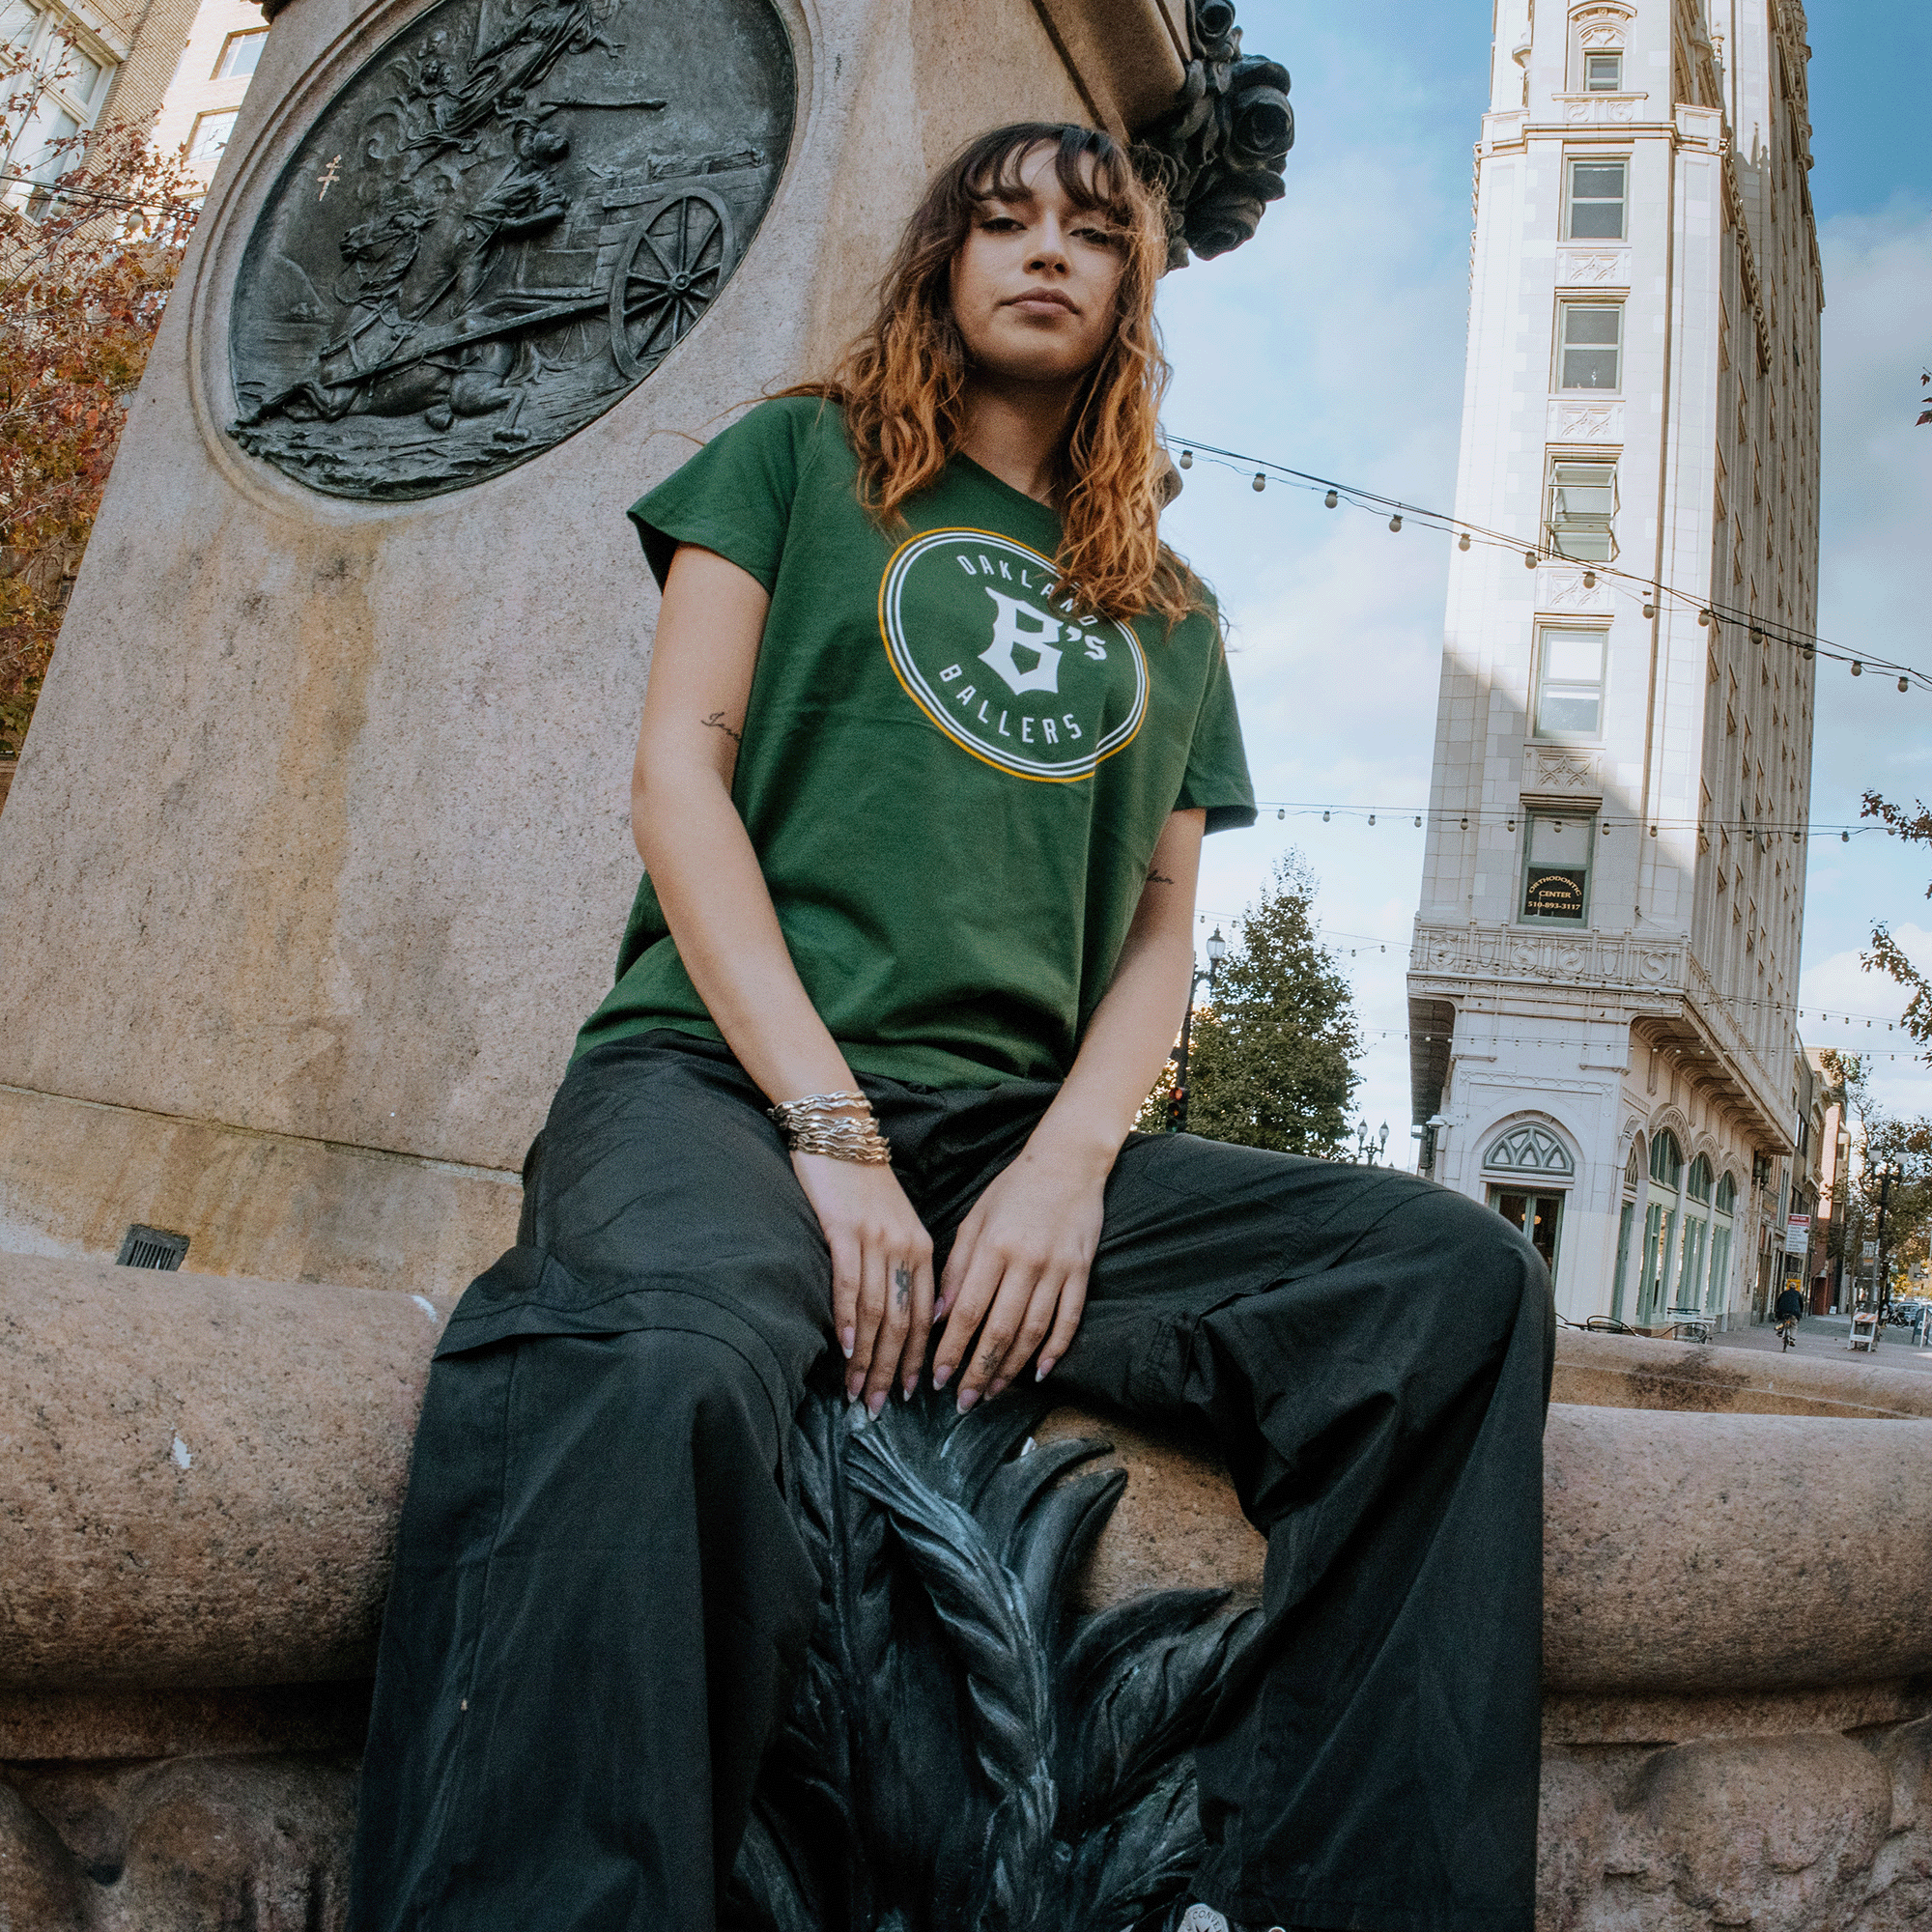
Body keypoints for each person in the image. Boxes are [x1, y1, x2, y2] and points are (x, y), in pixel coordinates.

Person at [347, 122, 1554, 1932]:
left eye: (1088, 231)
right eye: (1000, 224)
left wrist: (1071, 1167)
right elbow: (681, 779)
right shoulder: (797, 462)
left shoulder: (1172, 608)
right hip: (719, 1082)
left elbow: (1159, 932)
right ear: (941, 261)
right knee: (660, 1361)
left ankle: (1304, 1896)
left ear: (1133, 297)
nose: (1044, 253)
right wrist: (829, 1135)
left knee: (1455, 1289)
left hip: (1006, 1134)